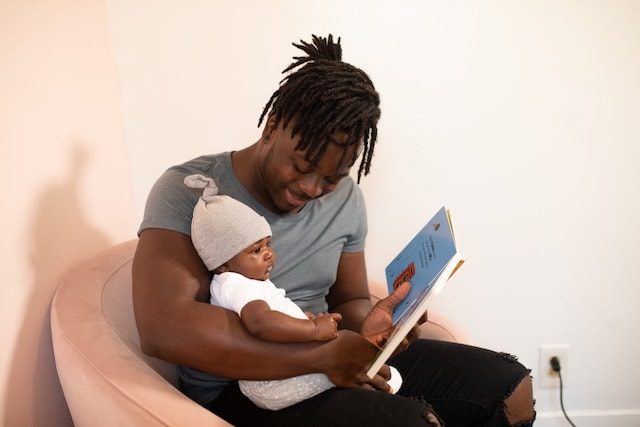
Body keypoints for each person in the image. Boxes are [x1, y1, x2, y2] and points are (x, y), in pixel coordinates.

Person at [133, 34, 536, 426]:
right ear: (272, 126)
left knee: (507, 386)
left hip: (330, 357)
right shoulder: (191, 190)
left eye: (332, 177)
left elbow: (351, 298)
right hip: (242, 389)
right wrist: (320, 357)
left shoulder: (345, 198)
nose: (311, 190)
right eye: (303, 166)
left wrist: (377, 326)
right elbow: (163, 329)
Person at [184, 173, 402, 410]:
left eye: (268, 244)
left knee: (352, 360)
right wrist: (312, 329)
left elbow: (273, 318)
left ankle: (370, 365)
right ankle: (377, 371)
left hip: (279, 374)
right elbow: (261, 322)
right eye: (255, 251)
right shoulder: (234, 284)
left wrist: (299, 320)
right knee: (358, 368)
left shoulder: (246, 280)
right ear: (222, 263)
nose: (268, 253)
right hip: (271, 382)